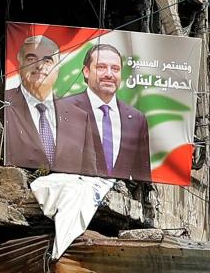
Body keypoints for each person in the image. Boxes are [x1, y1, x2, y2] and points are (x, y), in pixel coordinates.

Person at [55, 42, 152, 180]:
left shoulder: (137, 119)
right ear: (86, 71)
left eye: (115, 69)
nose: (109, 74)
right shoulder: (63, 109)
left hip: (120, 200)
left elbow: (143, 177)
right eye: (101, 67)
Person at [4, 33, 72, 171]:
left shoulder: (77, 114)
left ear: (57, 68)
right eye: (31, 59)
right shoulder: (5, 102)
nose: (39, 66)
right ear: (20, 64)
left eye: (47, 61)